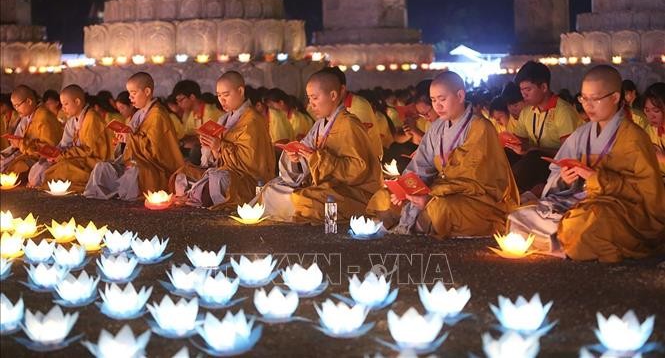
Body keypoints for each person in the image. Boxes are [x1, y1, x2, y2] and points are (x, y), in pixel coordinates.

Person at [508, 66, 665, 262]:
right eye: (584, 98)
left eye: (595, 99)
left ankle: (558, 241)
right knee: (519, 216)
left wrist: (595, 178)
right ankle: (560, 241)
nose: (588, 106)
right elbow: (557, 173)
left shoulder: (634, 137)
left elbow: (647, 193)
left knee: (588, 223)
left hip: (616, 207)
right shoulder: (582, 134)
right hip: (577, 199)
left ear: (615, 98)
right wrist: (563, 179)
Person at [366, 71, 519, 238]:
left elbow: (475, 179)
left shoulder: (481, 127)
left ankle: (417, 221)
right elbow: (421, 163)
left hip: (475, 198)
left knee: (441, 209)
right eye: (433, 100)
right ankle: (417, 221)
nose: (437, 106)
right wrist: (406, 189)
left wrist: (431, 194)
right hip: (436, 190)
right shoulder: (437, 127)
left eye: (442, 99)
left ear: (460, 96)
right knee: (384, 197)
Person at [257, 69, 382, 222]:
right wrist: (296, 158)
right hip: (325, 186)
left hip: (352, 192)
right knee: (272, 188)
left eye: (315, 98)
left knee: (305, 200)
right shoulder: (319, 124)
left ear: (333, 95)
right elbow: (305, 152)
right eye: (309, 99)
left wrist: (317, 158)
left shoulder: (349, 124)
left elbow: (358, 169)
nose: (311, 104)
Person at [170, 71, 275, 209]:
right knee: (183, 174)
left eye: (226, 95)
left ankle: (193, 195)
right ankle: (194, 195)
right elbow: (215, 162)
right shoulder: (223, 119)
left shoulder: (253, 121)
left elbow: (251, 163)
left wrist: (220, 147)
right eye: (219, 96)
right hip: (222, 171)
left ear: (240, 91)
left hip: (246, 179)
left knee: (218, 180)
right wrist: (210, 147)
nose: (222, 100)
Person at [84, 72, 184, 200]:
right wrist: (122, 141)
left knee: (133, 172)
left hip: (154, 166)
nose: (130, 98)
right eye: (129, 94)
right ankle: (99, 197)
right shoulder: (138, 114)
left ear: (147, 91)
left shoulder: (158, 114)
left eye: (133, 93)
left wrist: (130, 138)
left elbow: (155, 149)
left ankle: (124, 194)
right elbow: (131, 142)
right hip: (133, 160)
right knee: (102, 167)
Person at [507, 61, 582, 194]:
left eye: (528, 90)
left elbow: (569, 155)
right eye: (522, 91)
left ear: (543, 87)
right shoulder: (527, 111)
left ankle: (511, 193)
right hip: (531, 161)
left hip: (554, 167)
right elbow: (520, 141)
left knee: (534, 157)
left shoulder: (563, 111)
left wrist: (535, 149)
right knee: (506, 154)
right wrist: (514, 145)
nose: (524, 95)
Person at [28, 84, 114, 192]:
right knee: (44, 165)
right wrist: (53, 154)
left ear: (77, 102)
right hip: (77, 159)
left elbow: (90, 150)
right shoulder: (72, 121)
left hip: (93, 163)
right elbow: (64, 144)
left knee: (61, 168)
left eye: (66, 104)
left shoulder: (92, 118)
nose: (63, 109)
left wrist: (63, 155)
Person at [1, 85, 63, 176]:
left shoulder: (44, 117)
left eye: (18, 105)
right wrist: (18, 143)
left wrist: (21, 144)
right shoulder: (28, 116)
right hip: (27, 153)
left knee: (15, 168)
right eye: (14, 107)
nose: (16, 109)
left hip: (42, 158)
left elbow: (49, 149)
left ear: (29, 101)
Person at [172, 80, 224, 165]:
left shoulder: (209, 112)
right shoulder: (193, 114)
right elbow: (187, 135)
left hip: (220, 151)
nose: (179, 104)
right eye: (177, 101)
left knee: (195, 150)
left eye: (181, 100)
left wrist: (184, 143)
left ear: (192, 97)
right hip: (208, 148)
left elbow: (208, 140)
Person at [643, 82, 665, 180]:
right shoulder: (649, 129)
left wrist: (663, 158)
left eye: (656, 111)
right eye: (647, 110)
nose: (651, 116)